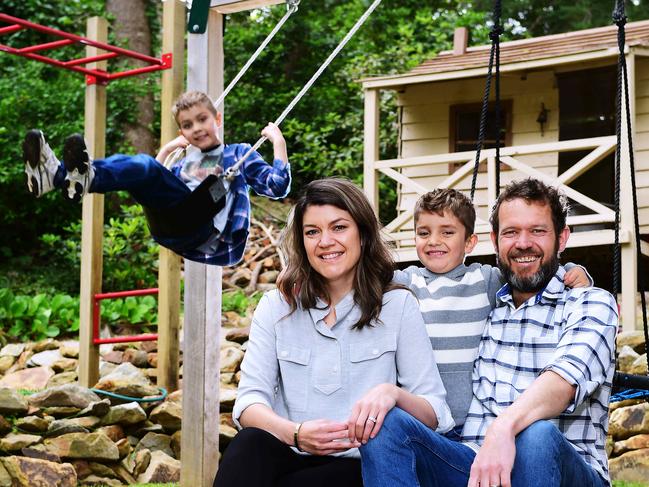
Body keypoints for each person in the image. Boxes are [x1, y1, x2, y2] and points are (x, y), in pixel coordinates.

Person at [361, 178, 617, 487]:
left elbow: (565, 381)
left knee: (536, 435)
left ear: (561, 239)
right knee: (387, 424)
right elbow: (364, 281)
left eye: (537, 231)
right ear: (494, 241)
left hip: (563, 468)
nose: (523, 243)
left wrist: (504, 427)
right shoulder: (492, 303)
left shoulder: (591, 303)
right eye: (511, 232)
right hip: (473, 463)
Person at [213, 178, 454, 487]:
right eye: (312, 232)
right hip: (291, 451)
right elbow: (248, 404)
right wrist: (297, 434)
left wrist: (392, 394)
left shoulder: (397, 305)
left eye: (339, 227)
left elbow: (434, 412)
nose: (325, 241)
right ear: (302, 243)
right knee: (248, 445)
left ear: (363, 235)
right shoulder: (276, 306)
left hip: (359, 465)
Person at [391, 188, 590, 437]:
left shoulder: (484, 279)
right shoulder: (407, 281)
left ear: (470, 242)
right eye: (424, 233)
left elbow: (528, 272)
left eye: (447, 232)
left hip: (470, 420)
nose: (433, 241)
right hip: (423, 417)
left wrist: (576, 270)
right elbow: (368, 276)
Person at [22, 90, 291, 266]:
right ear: (181, 131)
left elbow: (277, 186)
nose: (196, 128)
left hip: (207, 231)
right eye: (187, 125)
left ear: (217, 118)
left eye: (202, 119)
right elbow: (155, 186)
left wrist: (278, 142)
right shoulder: (185, 162)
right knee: (144, 166)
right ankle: (58, 176)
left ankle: (79, 177)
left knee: (146, 166)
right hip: (171, 226)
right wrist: (166, 151)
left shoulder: (238, 154)